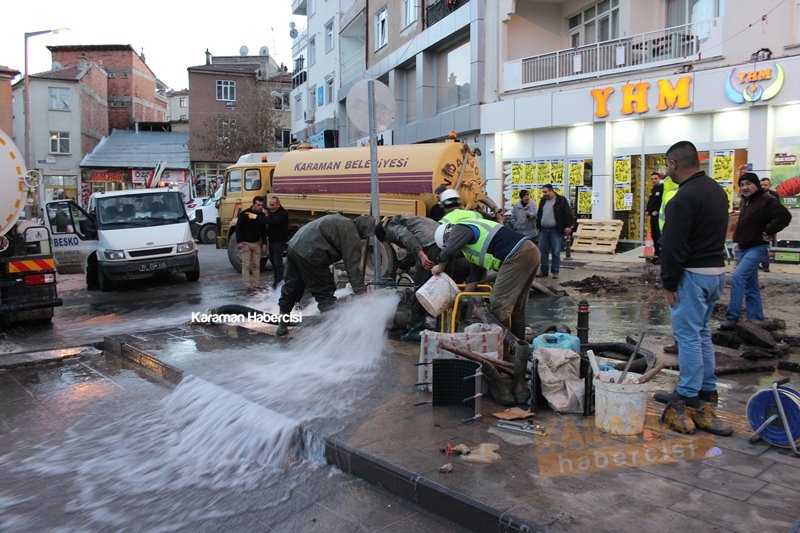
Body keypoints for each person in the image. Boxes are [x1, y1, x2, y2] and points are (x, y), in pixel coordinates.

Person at [655, 140, 732, 436]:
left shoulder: (682, 199)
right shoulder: (716, 191)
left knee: (687, 336)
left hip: (691, 274)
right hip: (715, 273)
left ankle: (688, 394)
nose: (666, 171)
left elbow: (674, 246)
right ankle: (707, 391)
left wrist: (669, 282)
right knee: (701, 334)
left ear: (674, 164)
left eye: (666, 165)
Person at [432, 218, 540, 342]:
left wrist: (440, 266)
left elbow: (448, 251)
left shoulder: (460, 228)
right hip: (530, 252)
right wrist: (461, 298)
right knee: (517, 307)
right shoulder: (470, 249)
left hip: (517, 255)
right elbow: (475, 278)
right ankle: (519, 350)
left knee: (498, 304)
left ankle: (503, 348)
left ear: (447, 237)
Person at [276, 214, 374, 336]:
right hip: (311, 254)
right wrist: (361, 292)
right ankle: (331, 332)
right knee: (325, 293)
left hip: (294, 246)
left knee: (291, 287)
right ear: (364, 231)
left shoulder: (341, 220)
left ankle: (282, 325)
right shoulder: (351, 233)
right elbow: (352, 267)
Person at [722, 172, 791, 329]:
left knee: (738, 277)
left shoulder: (767, 200)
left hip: (757, 247)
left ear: (756, 185)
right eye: (742, 185)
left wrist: (768, 231)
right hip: (744, 247)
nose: (745, 187)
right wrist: (738, 241)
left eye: (748, 184)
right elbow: (745, 223)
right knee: (751, 286)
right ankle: (756, 319)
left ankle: (732, 317)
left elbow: (784, 217)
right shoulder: (746, 201)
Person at [375, 215, 440, 342]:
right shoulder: (409, 221)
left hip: (429, 247)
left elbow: (406, 237)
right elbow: (412, 246)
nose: (392, 243)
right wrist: (404, 266)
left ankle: (415, 331)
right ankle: (441, 328)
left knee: (420, 290)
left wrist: (421, 255)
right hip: (442, 243)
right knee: (438, 290)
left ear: (385, 235)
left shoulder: (390, 226)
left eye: (389, 241)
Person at [535, 184, 573, 279]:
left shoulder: (561, 200)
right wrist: (538, 225)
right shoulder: (543, 200)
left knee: (556, 251)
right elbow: (540, 213)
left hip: (555, 230)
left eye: (545, 192)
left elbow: (567, 213)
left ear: (551, 191)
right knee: (542, 251)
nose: (544, 194)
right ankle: (544, 270)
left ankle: (555, 271)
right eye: (543, 192)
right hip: (543, 230)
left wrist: (568, 225)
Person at [236, 196, 267, 296]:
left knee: (256, 265)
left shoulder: (261, 215)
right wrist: (239, 241)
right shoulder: (244, 214)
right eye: (258, 205)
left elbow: (263, 230)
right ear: (253, 204)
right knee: (246, 265)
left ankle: (257, 285)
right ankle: (248, 287)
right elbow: (238, 228)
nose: (260, 207)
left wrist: (264, 243)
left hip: (256, 243)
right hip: (246, 243)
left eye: (262, 205)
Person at [264, 196, 289, 289]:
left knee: (278, 262)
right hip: (272, 240)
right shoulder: (271, 212)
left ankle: (281, 282)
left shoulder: (282, 214)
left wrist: (256, 217)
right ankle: (276, 280)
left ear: (278, 205)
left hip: (279, 241)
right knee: (272, 261)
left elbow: (272, 221)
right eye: (270, 205)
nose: (271, 207)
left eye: (273, 205)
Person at [758, 177, 780, 271]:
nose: (763, 187)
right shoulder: (756, 195)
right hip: (758, 223)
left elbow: (778, 210)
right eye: (761, 185)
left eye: (765, 185)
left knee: (765, 244)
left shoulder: (774, 195)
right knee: (759, 244)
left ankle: (765, 265)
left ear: (769, 185)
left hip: (769, 223)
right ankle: (761, 263)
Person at [645, 172, 664, 262]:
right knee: (654, 236)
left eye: (655, 178)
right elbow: (651, 201)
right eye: (652, 179)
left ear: (659, 179)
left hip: (658, 216)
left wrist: (657, 210)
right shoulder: (653, 190)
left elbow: (662, 201)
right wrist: (647, 210)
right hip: (652, 216)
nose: (653, 180)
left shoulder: (662, 188)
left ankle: (661, 255)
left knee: (658, 235)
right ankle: (656, 254)